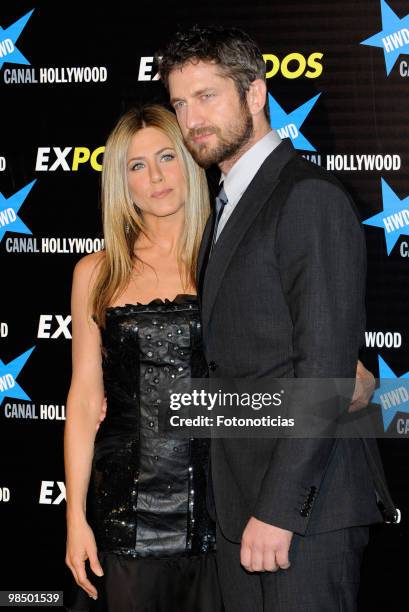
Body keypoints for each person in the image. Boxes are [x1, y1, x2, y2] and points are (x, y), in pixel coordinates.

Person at [155, 25, 398, 612]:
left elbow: (323, 371)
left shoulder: (305, 197)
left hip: (299, 516)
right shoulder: (228, 205)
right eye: (180, 103)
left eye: (208, 96)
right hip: (243, 508)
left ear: (256, 95)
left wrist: (279, 510)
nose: (192, 120)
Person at [63, 105, 224, 612]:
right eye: (136, 166)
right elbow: (86, 401)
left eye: (166, 157)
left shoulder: (224, 258)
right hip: (125, 513)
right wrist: (74, 520)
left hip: (219, 510)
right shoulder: (96, 272)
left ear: (191, 161)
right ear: (121, 183)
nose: (155, 177)